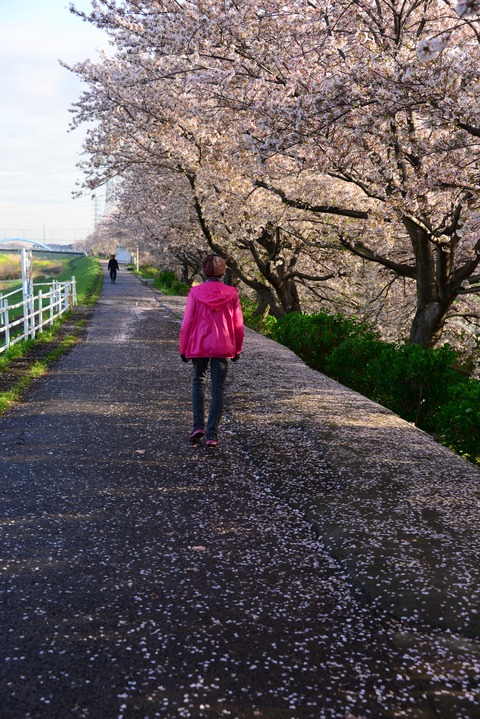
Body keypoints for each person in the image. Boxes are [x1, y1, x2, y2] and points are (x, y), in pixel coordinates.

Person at [179, 254, 244, 448]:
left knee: (198, 382)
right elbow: (238, 325)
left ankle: (197, 426)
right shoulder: (232, 293)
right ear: (223, 271)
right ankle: (212, 434)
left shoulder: (195, 292)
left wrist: (183, 348)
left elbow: (187, 322)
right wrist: (237, 349)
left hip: (199, 344)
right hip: (223, 346)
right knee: (218, 390)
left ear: (203, 271)